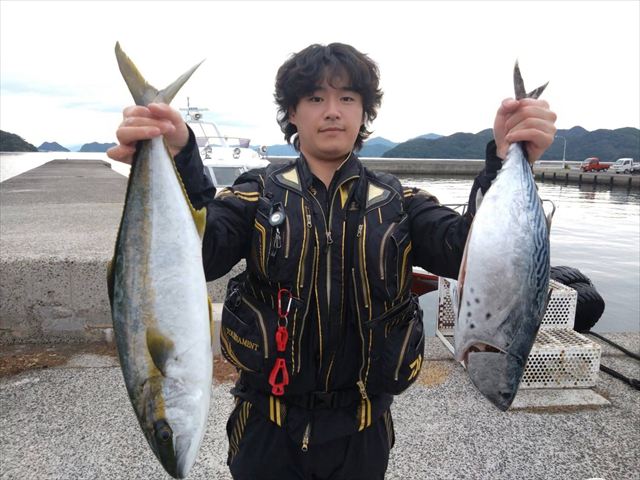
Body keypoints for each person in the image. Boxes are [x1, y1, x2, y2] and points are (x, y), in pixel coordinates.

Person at [108, 43, 557, 480]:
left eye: (347, 98)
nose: (332, 111)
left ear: (363, 113)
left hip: (363, 431)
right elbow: (201, 254)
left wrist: (503, 160)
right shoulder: (255, 194)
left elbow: (465, 250)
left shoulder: (401, 202)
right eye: (315, 98)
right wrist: (180, 155)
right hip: (266, 428)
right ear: (292, 113)